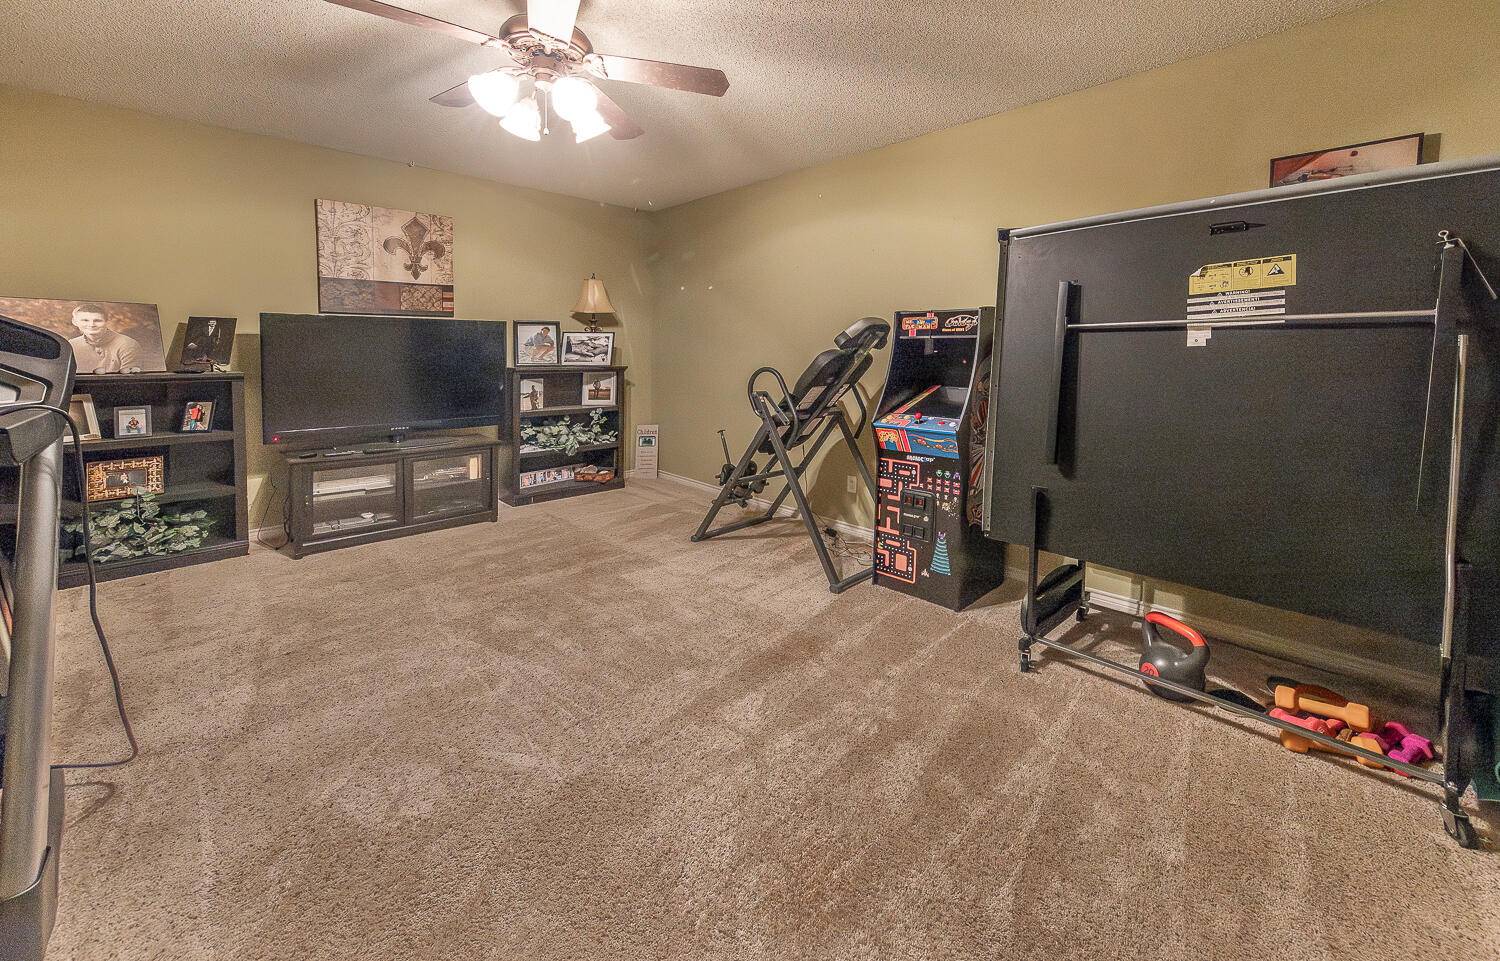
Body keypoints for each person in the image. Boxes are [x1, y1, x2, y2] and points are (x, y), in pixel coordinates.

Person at [68, 303, 143, 373]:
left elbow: (130, 381)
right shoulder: (71, 345)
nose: (91, 325)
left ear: (107, 322)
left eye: (98, 321)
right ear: (74, 322)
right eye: (85, 320)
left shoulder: (127, 344)